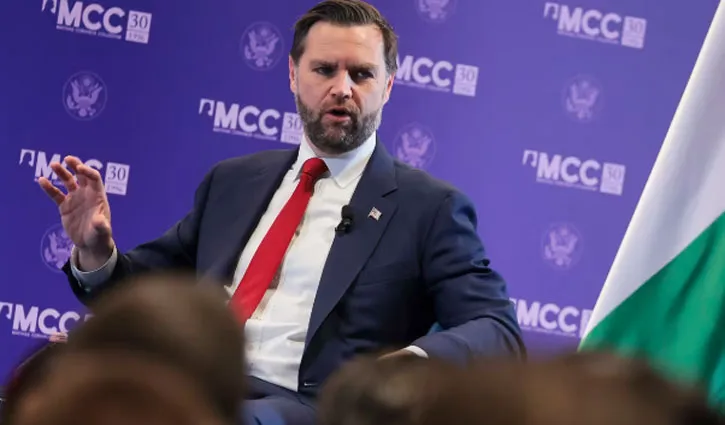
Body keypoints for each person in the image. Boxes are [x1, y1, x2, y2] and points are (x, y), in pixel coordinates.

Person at [39, 0, 524, 423]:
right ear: (292, 74)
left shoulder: (428, 207)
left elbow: (497, 328)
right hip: (196, 380)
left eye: (361, 74)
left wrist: (408, 363)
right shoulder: (233, 182)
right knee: (50, 381)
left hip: (311, 407)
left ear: (389, 86)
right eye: (324, 70)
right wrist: (95, 251)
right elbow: (143, 292)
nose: (343, 88)